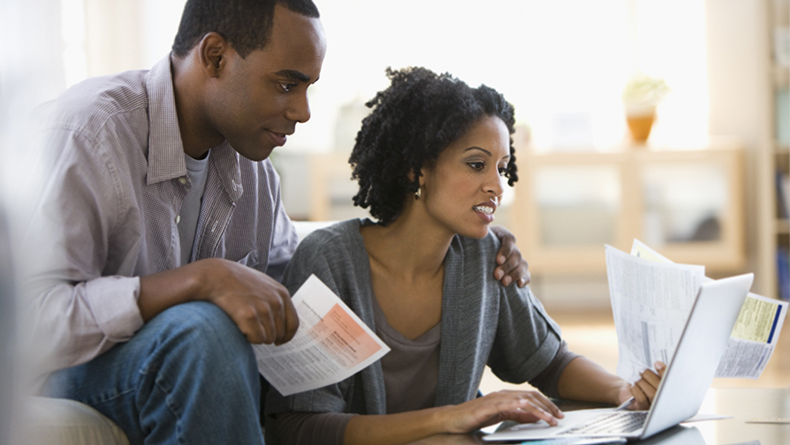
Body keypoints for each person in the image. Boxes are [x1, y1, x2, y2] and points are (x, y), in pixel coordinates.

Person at [23, 1, 530, 443]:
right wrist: (199, 281)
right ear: (215, 56)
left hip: (176, 364)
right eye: (287, 84)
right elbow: (27, 322)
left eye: (308, 87)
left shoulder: (254, 170)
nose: (304, 111)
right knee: (203, 332)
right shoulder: (90, 133)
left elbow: (301, 286)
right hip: (65, 369)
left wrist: (468, 239)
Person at [264, 67, 667, 445]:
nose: (496, 186)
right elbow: (300, 425)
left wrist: (625, 392)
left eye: (502, 168)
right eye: (476, 165)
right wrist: (453, 416)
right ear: (414, 170)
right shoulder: (329, 264)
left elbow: (549, 362)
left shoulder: (484, 255)